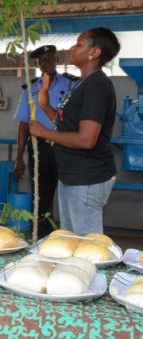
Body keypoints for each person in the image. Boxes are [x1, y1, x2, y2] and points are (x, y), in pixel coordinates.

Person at [29, 27, 119, 234]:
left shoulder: (97, 86)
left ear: (94, 53)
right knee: (71, 239)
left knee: (86, 245)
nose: (72, 48)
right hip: (71, 174)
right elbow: (67, 125)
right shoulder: (82, 83)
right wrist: (45, 106)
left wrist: (44, 133)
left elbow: (87, 139)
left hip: (87, 177)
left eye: (79, 44)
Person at [14, 45, 77, 237]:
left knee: (71, 194)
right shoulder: (30, 89)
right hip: (39, 149)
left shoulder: (70, 85)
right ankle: (42, 237)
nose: (47, 63)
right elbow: (23, 126)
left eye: (50, 59)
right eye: (42, 61)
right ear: (37, 64)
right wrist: (19, 158)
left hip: (66, 146)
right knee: (40, 196)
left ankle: (70, 236)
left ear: (57, 60)